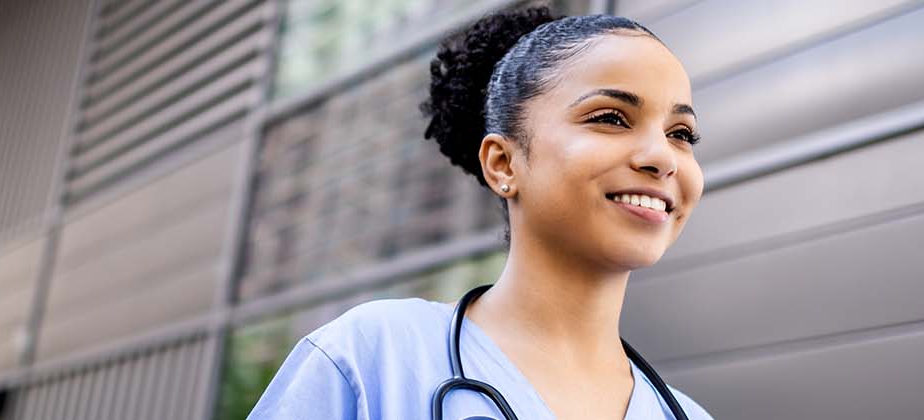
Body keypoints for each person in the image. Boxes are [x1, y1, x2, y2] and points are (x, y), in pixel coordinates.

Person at [246, 6, 712, 420]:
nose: (663, 157)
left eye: (681, 133)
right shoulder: (374, 358)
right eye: (610, 118)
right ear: (503, 163)